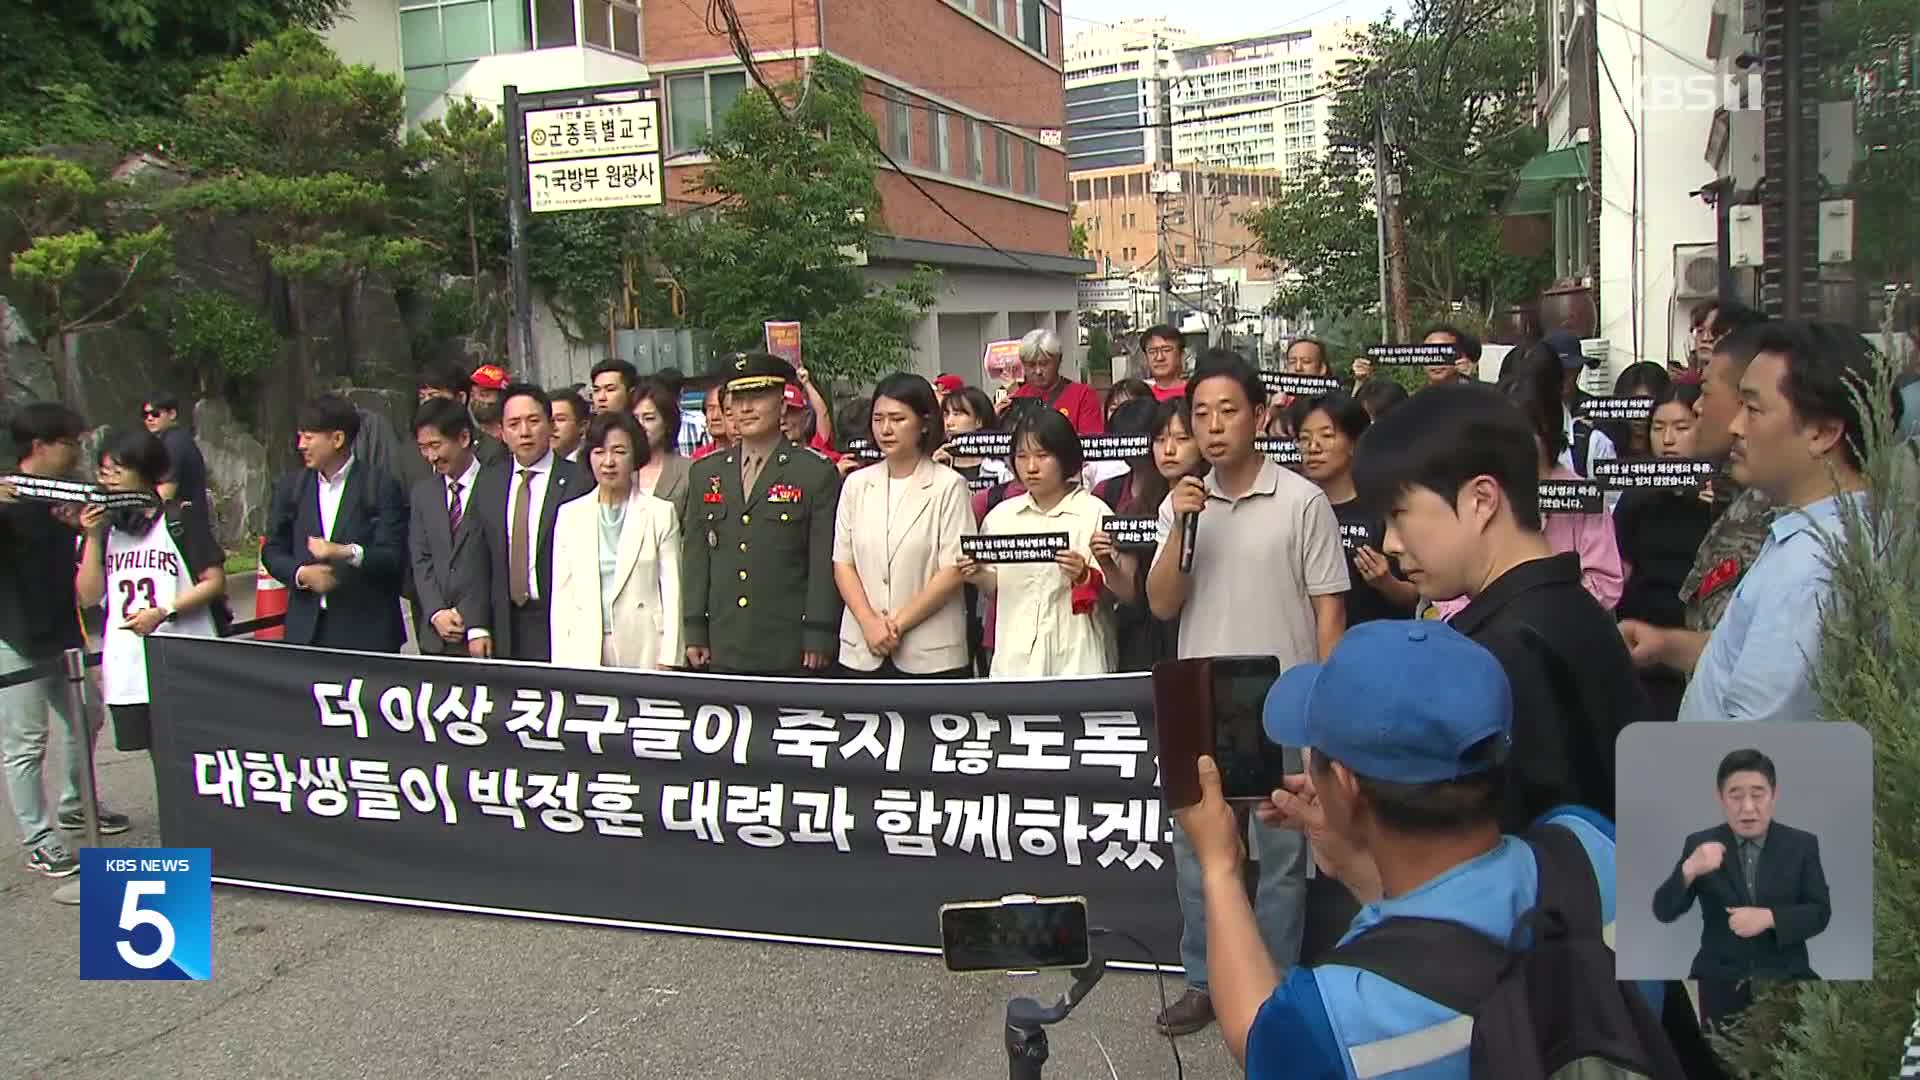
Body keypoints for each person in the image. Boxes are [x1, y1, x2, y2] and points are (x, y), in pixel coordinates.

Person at [1181, 618, 1648, 1078]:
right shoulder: (1591, 847)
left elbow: (1259, 1038)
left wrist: (1220, 867)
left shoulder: (1339, 1014)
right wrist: (1355, 860)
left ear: (1344, 782)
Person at [1143, 349, 1348, 1037]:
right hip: (1199, 701)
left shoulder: (1302, 501)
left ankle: (1277, 985)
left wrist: (1324, 710)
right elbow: (1162, 603)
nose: (1213, 426)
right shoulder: (1184, 505)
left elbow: (1330, 612)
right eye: (1200, 413)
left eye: (1228, 411)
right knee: (1200, 849)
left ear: (1260, 415)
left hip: (1283, 699)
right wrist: (1181, 525)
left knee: (1282, 855)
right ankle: (1204, 978)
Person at [1354, 382, 1649, 828]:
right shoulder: (1569, 609)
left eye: (1399, 515)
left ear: (1482, 500)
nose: (1391, 544)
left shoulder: (1501, 653)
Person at [1672, 321, 1890, 723]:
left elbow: (1755, 749)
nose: (1735, 426)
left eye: (1753, 409)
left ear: (1823, 432)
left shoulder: (1812, 570)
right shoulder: (1819, 535)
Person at [1, 403, 125, 876]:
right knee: (26, 740)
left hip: (62, 629)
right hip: (12, 632)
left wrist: (87, 529)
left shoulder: (63, 497)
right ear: (39, 446)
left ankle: (78, 803)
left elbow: (86, 584)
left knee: (89, 716)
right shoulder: (9, 495)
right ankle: (37, 837)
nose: (77, 453)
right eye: (70, 444)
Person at [75, 432, 227, 776]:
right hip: (129, 666)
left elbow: (214, 582)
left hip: (183, 655)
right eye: (103, 472)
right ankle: (178, 826)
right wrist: (92, 537)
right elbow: (88, 595)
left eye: (118, 469)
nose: (108, 479)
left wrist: (164, 611)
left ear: (145, 472)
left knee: (197, 754)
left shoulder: (177, 520)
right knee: (161, 760)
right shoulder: (106, 530)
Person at [682, 353, 843, 675]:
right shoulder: (705, 472)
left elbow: (823, 560)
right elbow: (697, 558)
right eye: (738, 398)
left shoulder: (813, 472)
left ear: (782, 404)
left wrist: (819, 630)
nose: (746, 408)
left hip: (788, 639)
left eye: (757, 396)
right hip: (725, 637)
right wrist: (695, 627)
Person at [1652, 748, 1830, 1030]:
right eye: (1736, 796)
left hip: (1786, 977)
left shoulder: (1802, 845)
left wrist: (1769, 918)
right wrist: (1689, 869)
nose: (1747, 807)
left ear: (1774, 794)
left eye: (1758, 794)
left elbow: (1820, 912)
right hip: (1719, 980)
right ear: (1720, 798)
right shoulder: (1699, 844)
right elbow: (1663, 910)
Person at [832, 373, 973, 678]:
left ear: (924, 423)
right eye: (879, 418)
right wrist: (869, 622)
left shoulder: (948, 486)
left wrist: (896, 625)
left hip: (930, 654)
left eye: (897, 419)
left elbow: (953, 569)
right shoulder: (856, 484)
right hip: (862, 648)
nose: (886, 429)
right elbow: (843, 563)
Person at [962, 408, 1114, 677]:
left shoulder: (1094, 513)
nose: (1031, 468)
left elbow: (1116, 594)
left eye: (1043, 456)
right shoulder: (1000, 517)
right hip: (1015, 659)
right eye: (1022, 457)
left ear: (1065, 457)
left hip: (1077, 660)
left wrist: (1083, 575)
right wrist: (977, 572)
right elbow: (994, 586)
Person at [263, 395, 409, 653]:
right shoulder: (292, 488)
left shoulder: (380, 486)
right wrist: (301, 574)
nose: (301, 445)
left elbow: (393, 557)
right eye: (300, 436)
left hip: (367, 633)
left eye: (308, 438)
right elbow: (272, 550)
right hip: (307, 632)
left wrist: (347, 552)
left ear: (337, 439)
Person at [1612, 383, 1714, 723]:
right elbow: (1620, 570)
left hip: (1699, 648)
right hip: (1639, 644)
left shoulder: (1726, 501)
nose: (1668, 439)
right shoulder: (1635, 496)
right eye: (1659, 427)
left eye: (1681, 427)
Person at [465, 383, 590, 661]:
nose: (524, 432)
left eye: (533, 421)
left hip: (560, 617)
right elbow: (475, 557)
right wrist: (477, 626)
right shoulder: (489, 481)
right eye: (514, 424)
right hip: (504, 621)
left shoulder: (579, 480)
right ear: (502, 432)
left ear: (550, 425)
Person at [551, 412, 683, 670]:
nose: (608, 462)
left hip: (645, 646)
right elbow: (563, 595)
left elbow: (672, 589)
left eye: (619, 451)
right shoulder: (570, 515)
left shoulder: (660, 513)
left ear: (635, 456)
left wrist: (670, 656)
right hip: (585, 646)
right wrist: (561, 660)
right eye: (599, 452)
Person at [1296, 392, 1419, 627]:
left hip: (1374, 649)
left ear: (1354, 443)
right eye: (1304, 438)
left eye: (1327, 435)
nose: (1312, 447)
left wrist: (1386, 582)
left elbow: (1417, 597)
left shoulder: (1383, 509)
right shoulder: (1297, 508)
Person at [1090, 396, 1194, 671]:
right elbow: (1129, 593)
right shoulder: (1136, 507)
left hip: (1198, 630)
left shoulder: (1215, 499)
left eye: (1181, 439)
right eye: (1160, 440)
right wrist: (1106, 563)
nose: (1169, 450)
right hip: (1144, 640)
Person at [407, 399, 490, 657]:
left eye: (436, 445)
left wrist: (472, 617)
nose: (431, 457)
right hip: (436, 637)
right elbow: (421, 559)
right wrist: (435, 612)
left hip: (484, 632)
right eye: (423, 448)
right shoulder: (423, 493)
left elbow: (496, 561)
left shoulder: (497, 485)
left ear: (463, 438)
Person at [1005, 328, 1105, 435]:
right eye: (1031, 365)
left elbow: (1090, 441)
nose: (1038, 371)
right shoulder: (1019, 397)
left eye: (1044, 364)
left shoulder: (1083, 395)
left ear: (1059, 360)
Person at [417, 363, 506, 465]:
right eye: (422, 397)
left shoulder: (493, 451)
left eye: (433, 395)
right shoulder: (409, 450)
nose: (427, 403)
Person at [935, 386, 1013, 490]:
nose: (949, 422)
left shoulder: (1002, 466)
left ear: (978, 421)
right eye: (946, 415)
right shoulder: (938, 462)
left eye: (957, 414)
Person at [634, 380, 692, 519]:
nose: (640, 426)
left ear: (667, 423)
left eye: (649, 418)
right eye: (635, 419)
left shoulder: (689, 470)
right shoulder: (623, 468)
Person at [141, 394, 210, 510]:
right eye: (145, 415)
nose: (149, 418)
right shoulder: (177, 438)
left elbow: (165, 494)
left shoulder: (173, 444)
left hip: (183, 522)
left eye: (155, 414)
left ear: (172, 414)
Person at [1140, 324, 1188, 401]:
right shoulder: (1139, 395)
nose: (1159, 358)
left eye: (1166, 350)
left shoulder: (1195, 393)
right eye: (1152, 352)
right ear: (1145, 357)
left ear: (1182, 354)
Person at [469, 364, 509, 442]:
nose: (477, 400)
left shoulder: (514, 438)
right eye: (472, 395)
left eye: (484, 395)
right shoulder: (467, 439)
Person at [549, 386, 590, 465]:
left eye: (560, 419)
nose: (551, 427)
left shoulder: (592, 465)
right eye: (548, 420)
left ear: (582, 426)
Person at [693, 383, 734, 461]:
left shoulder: (746, 455)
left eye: (721, 408)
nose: (715, 416)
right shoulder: (699, 457)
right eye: (711, 408)